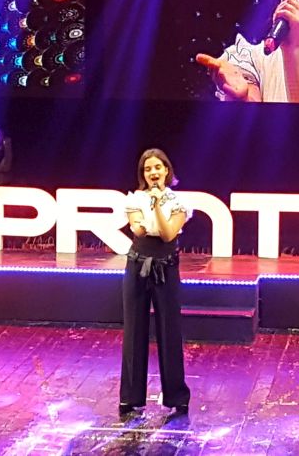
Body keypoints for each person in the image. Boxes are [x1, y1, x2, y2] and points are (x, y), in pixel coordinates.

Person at [119, 148, 192, 417]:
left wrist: (159, 205)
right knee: (134, 329)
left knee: (169, 329)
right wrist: (143, 214)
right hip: (137, 265)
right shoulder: (135, 199)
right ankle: (131, 396)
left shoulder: (179, 202)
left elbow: (167, 233)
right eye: (148, 169)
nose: (153, 173)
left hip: (166, 267)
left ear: (166, 171)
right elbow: (138, 229)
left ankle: (176, 396)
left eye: (157, 168)